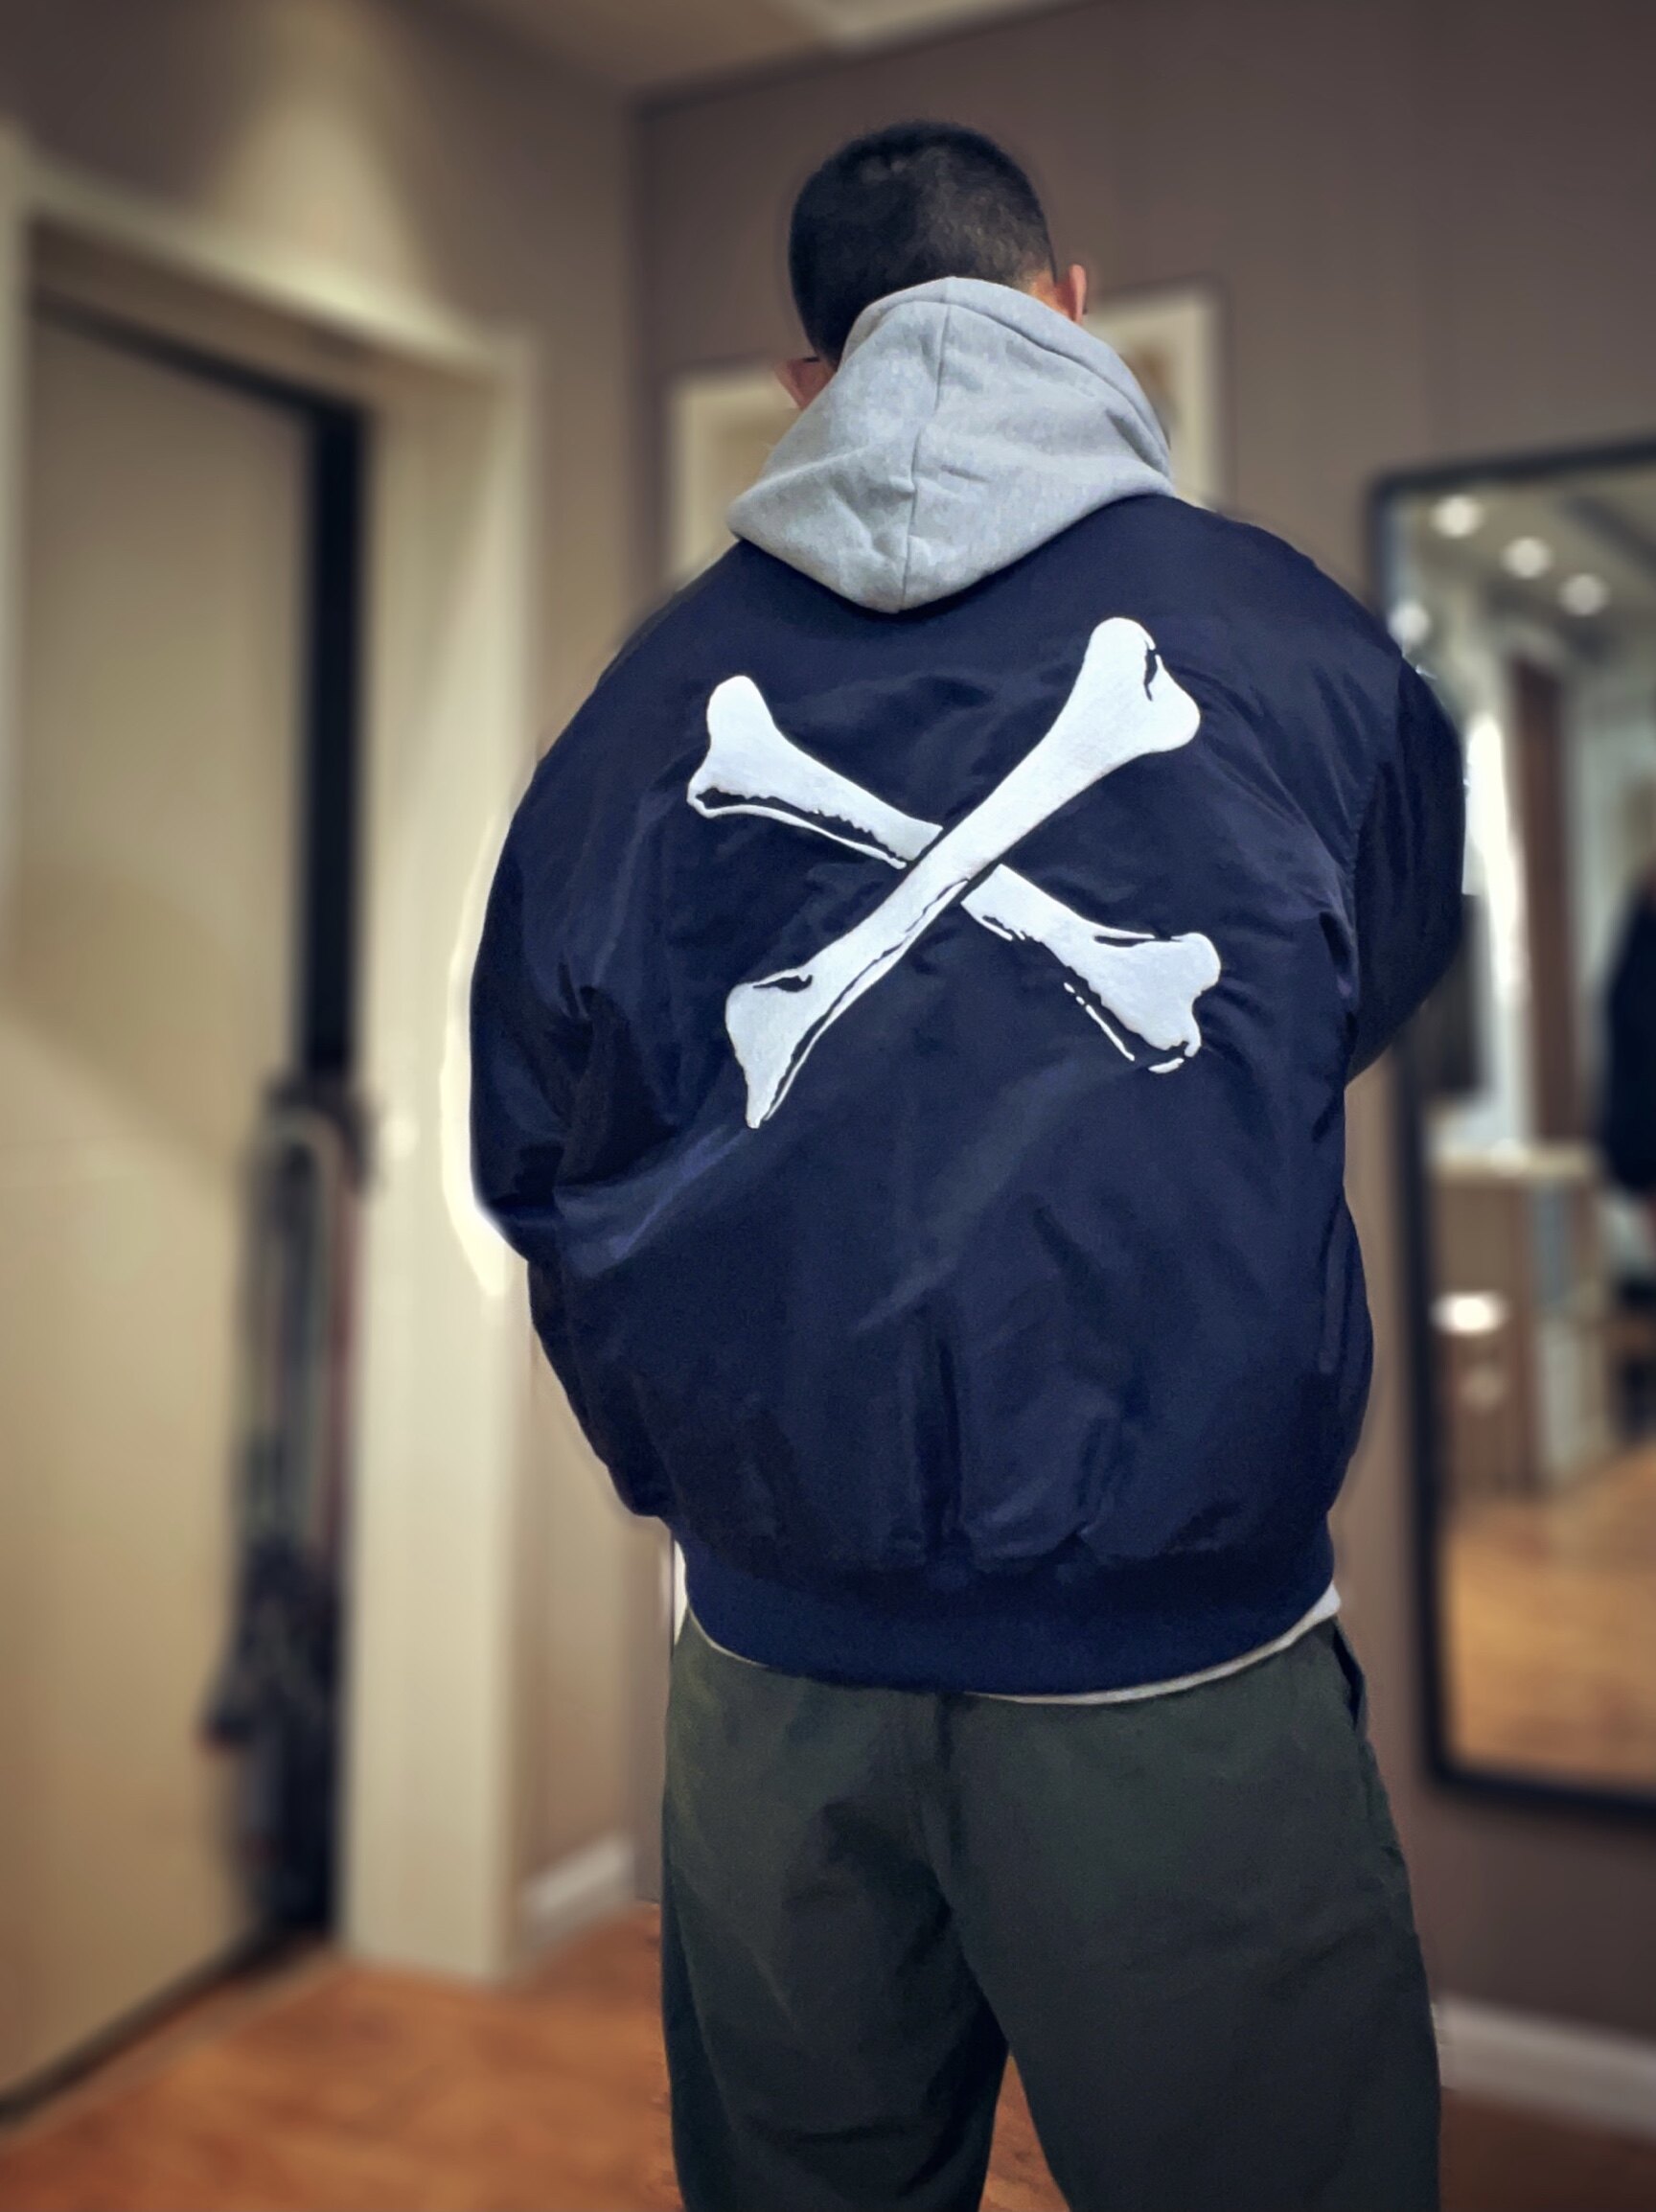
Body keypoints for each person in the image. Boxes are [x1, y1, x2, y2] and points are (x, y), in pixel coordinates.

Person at [471, 120, 1463, 2212]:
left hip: (770, 1684)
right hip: (1177, 1681)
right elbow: (1348, 1005)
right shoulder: (1308, 657)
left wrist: (709, 1477)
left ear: (807, 379)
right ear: (1068, 306)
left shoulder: (638, 719)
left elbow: (538, 1154)